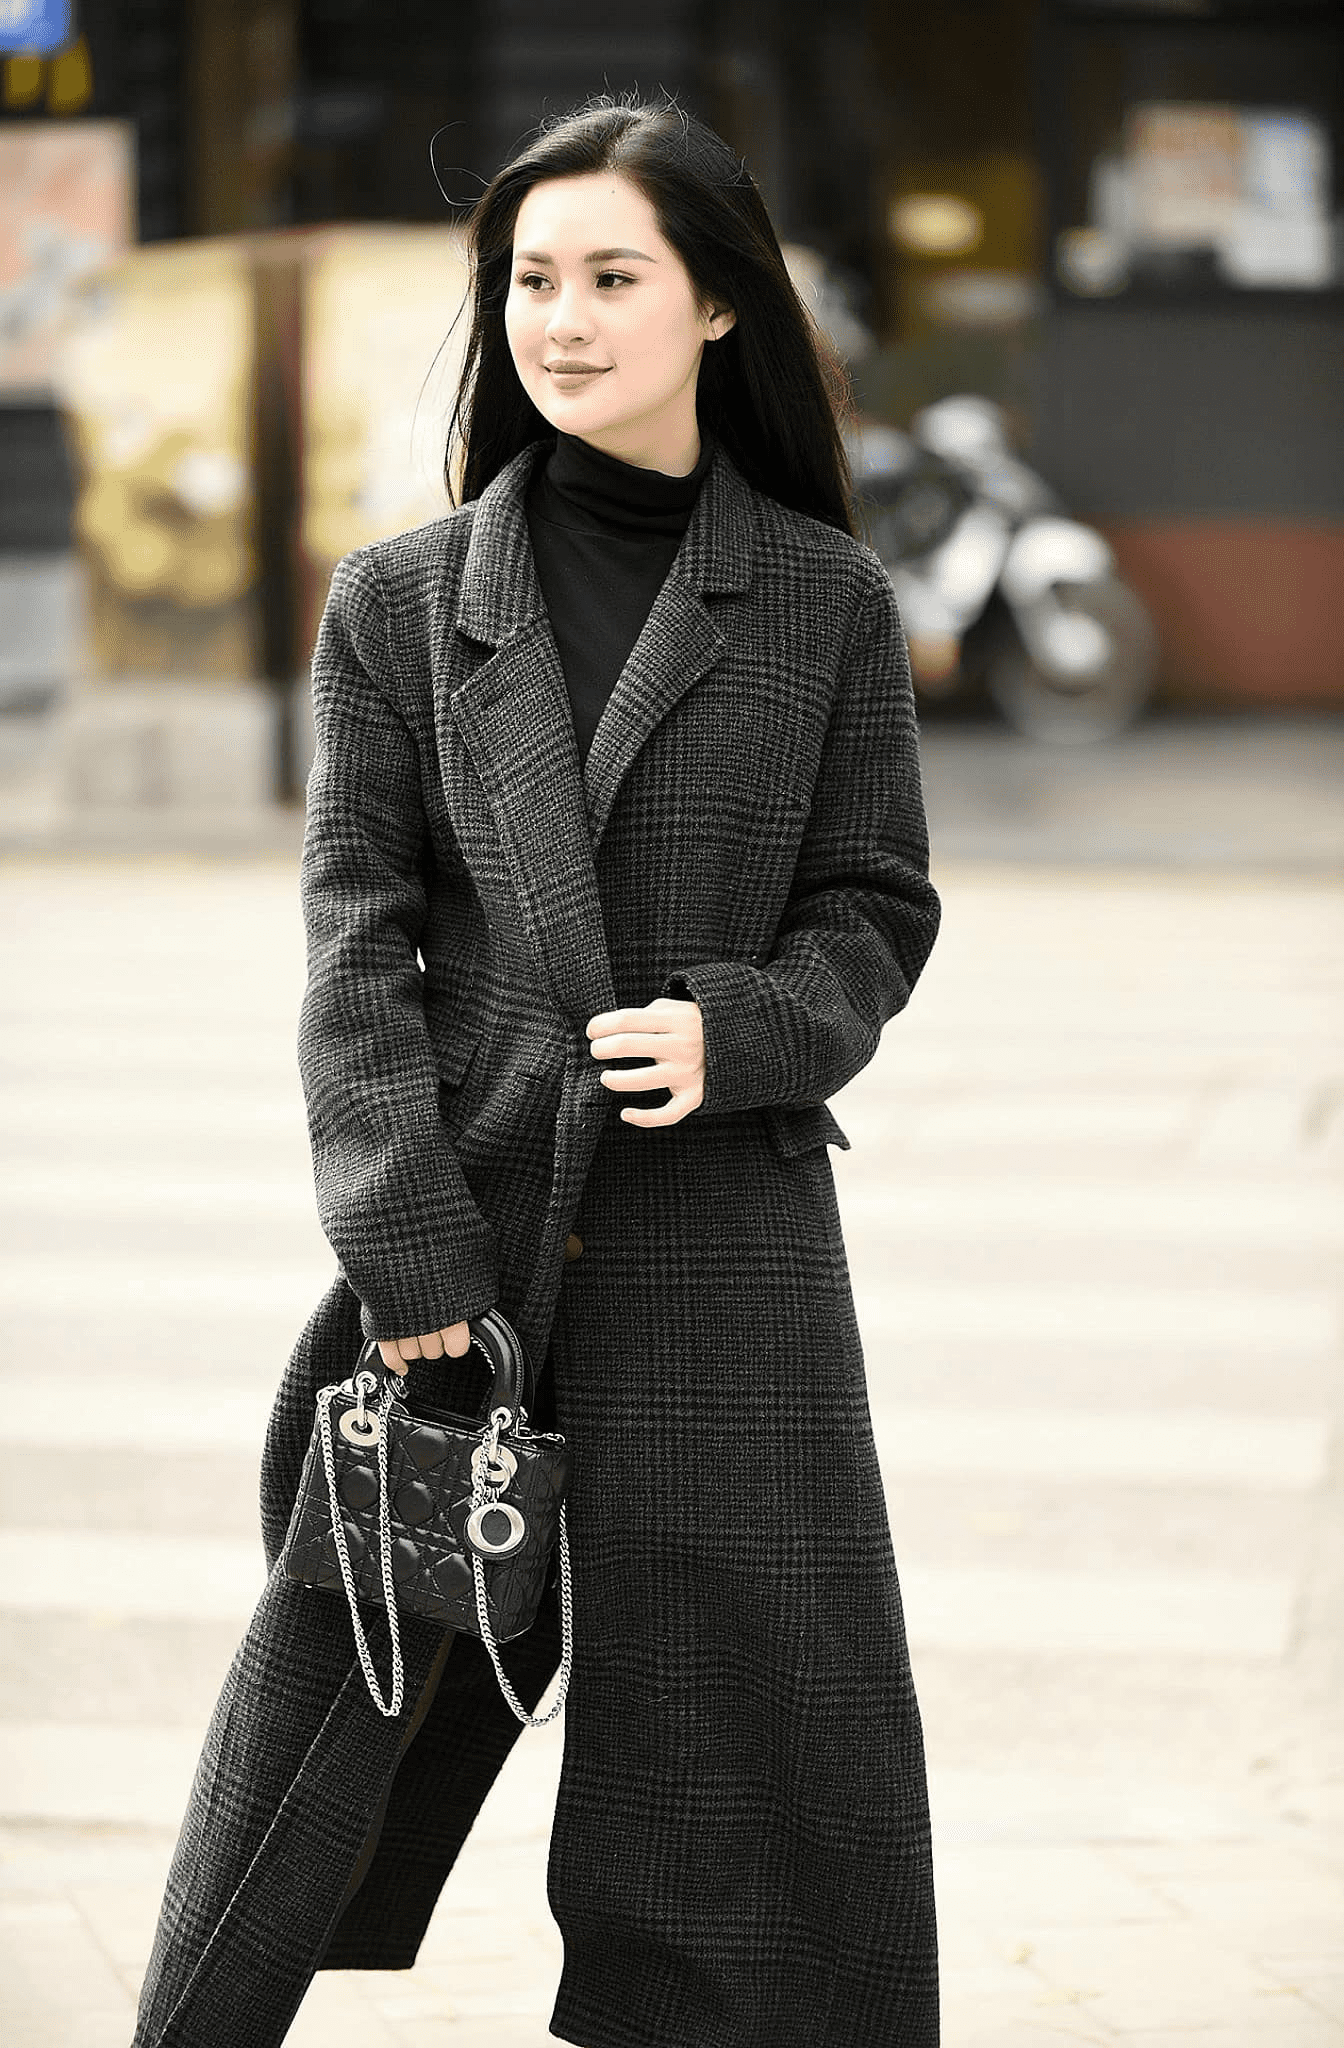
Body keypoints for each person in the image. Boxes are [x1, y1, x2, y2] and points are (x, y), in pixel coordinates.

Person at [133, 91, 942, 2048]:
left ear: (718, 304)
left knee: (743, 1738)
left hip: (722, 1241)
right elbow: (356, 944)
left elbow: (873, 903)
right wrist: (404, 1244)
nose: (560, 320)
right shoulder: (404, 602)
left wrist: (743, 1029)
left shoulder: (821, 599)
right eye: (528, 280)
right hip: (468, 1233)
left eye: (610, 278)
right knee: (331, 1712)